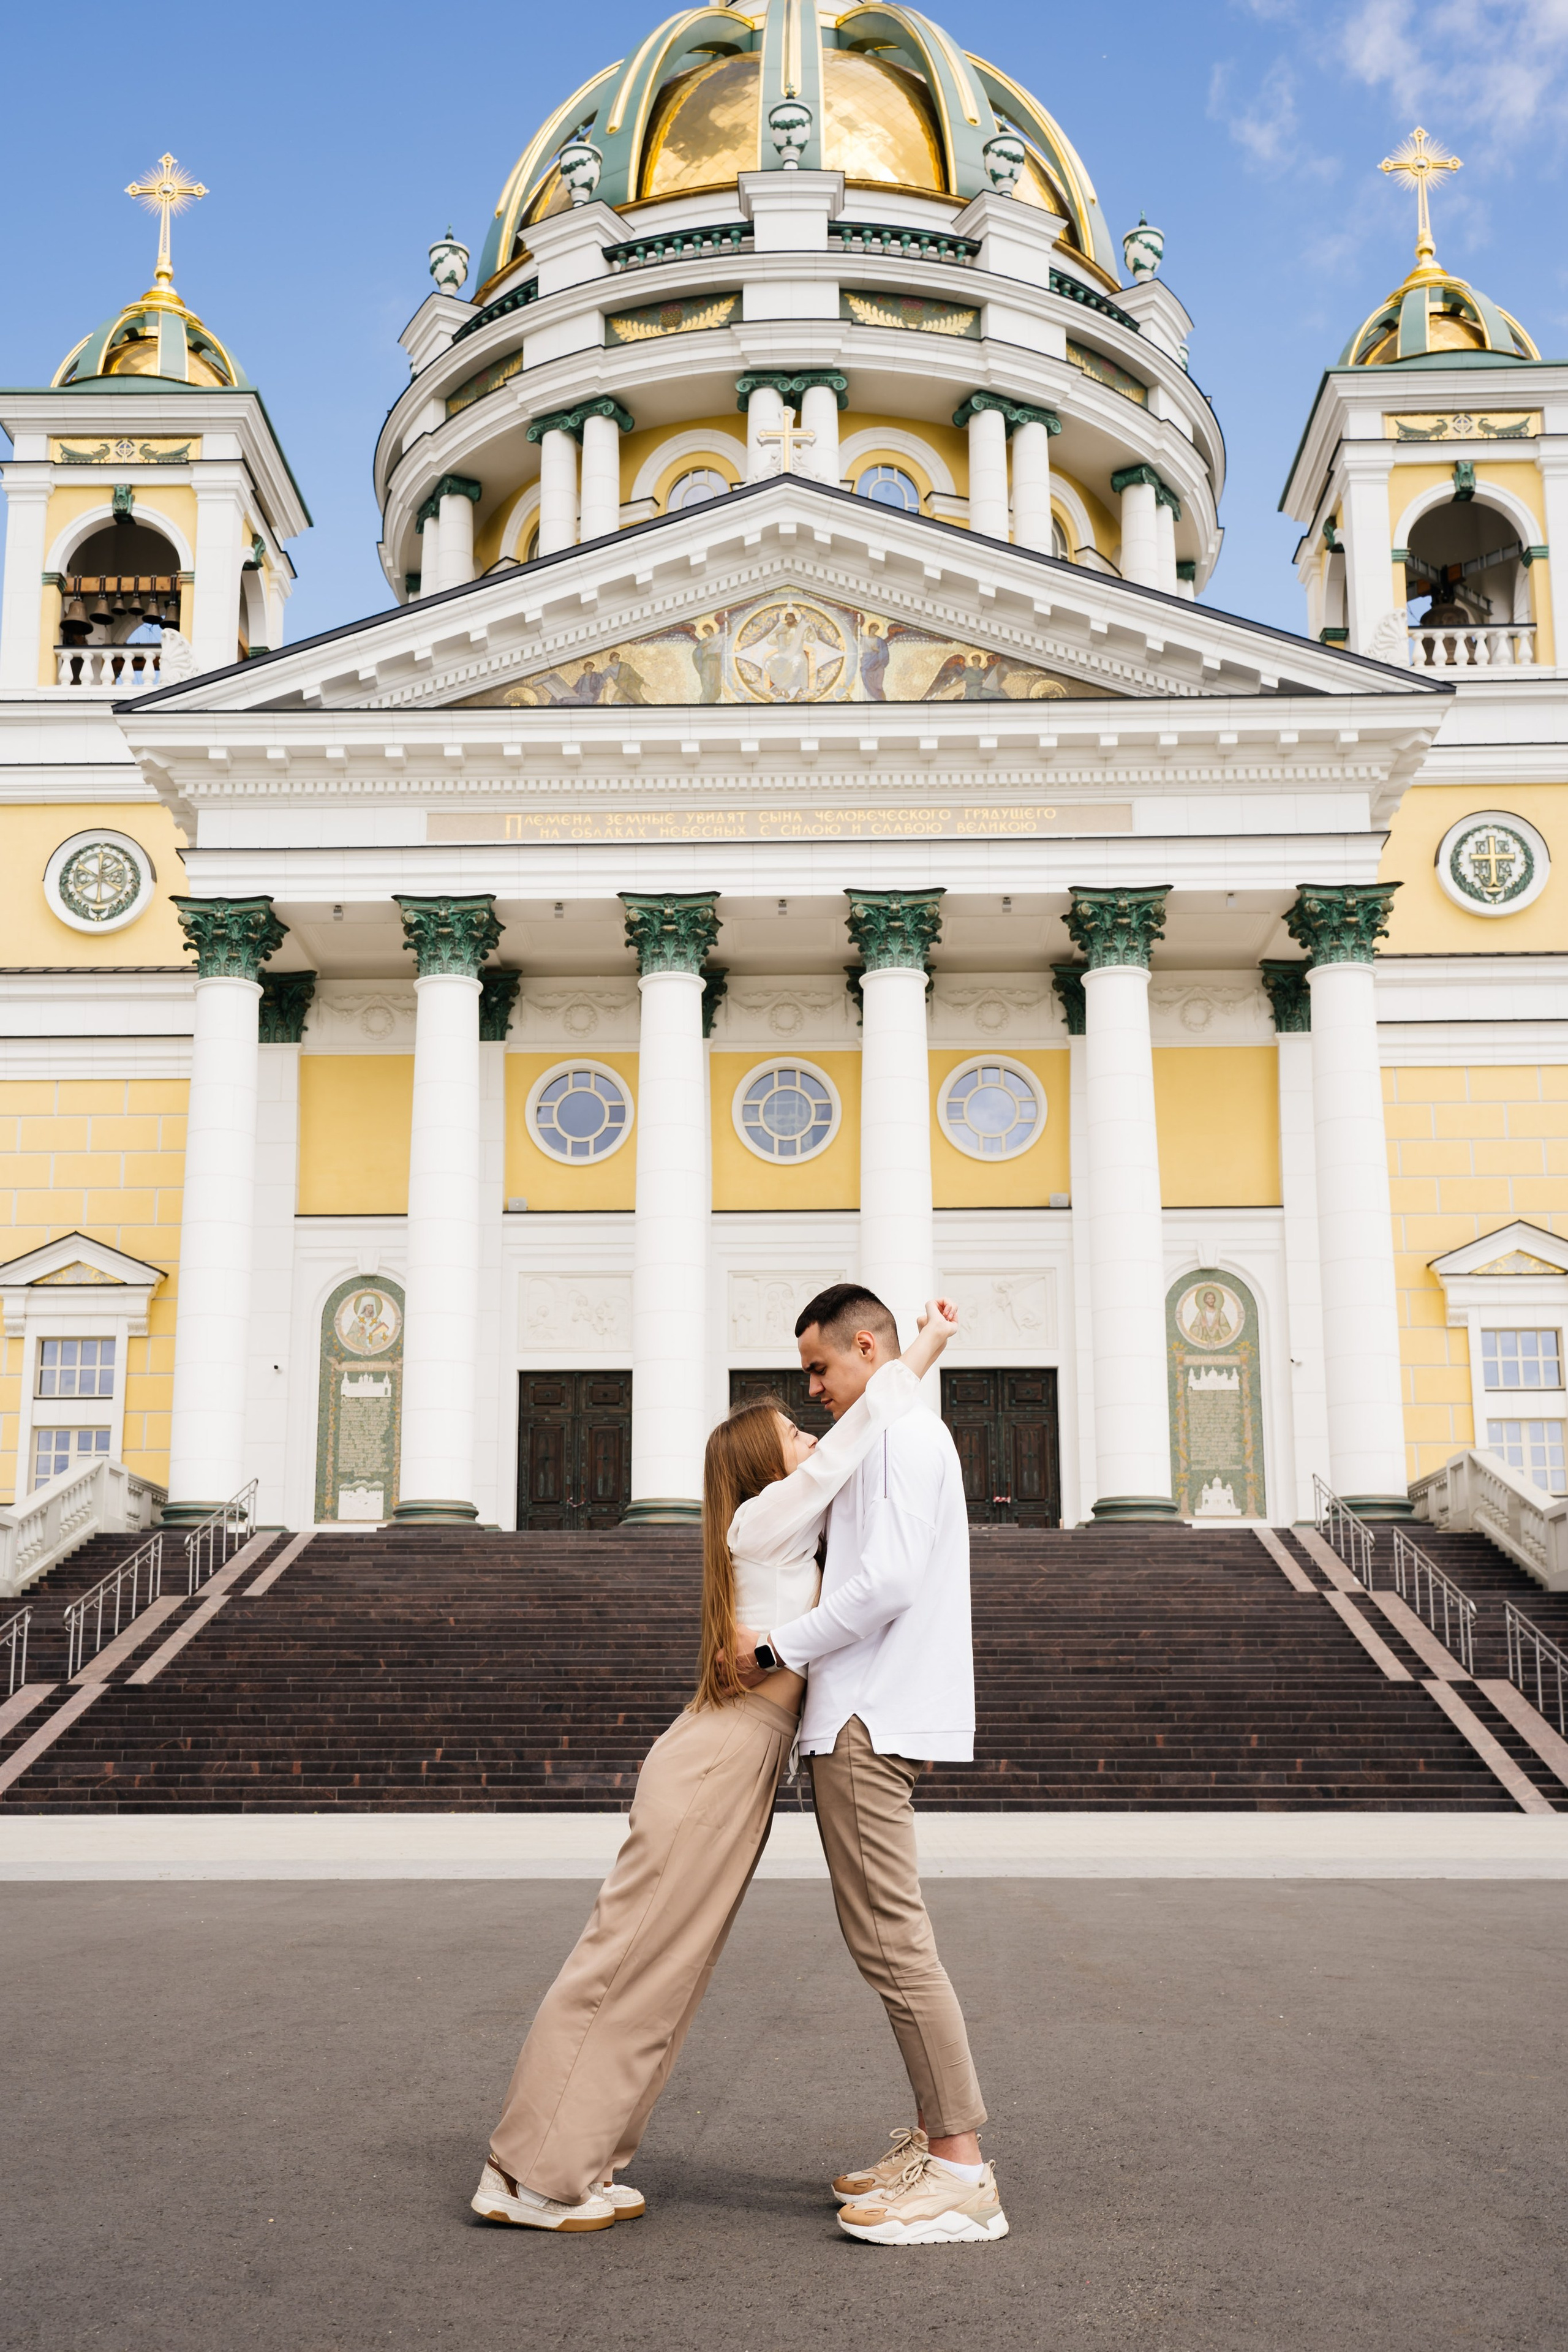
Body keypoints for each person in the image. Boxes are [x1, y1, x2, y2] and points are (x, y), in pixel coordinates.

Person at [470, 1296, 960, 2233]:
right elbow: (860, 1438)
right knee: (626, 1961)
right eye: (793, 1430)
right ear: (760, 1464)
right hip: (719, 1753)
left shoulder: (781, 1519)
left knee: (669, 1969)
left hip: (743, 1757)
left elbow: (860, 1434)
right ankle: (526, 2173)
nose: (813, 1432)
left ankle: (579, 2158)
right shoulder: (763, 1520)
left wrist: (920, 1352)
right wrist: (921, 1352)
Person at [731, 1281, 1006, 2248]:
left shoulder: (894, 1437)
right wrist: (928, 1345)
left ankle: (960, 2173)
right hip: (878, 1713)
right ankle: (939, 2145)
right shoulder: (897, 1425)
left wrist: (774, 1650)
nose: (812, 1390)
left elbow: (884, 1581)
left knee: (894, 1946)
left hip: (867, 1717)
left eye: (819, 1367)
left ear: (862, 1347)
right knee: (889, 1943)